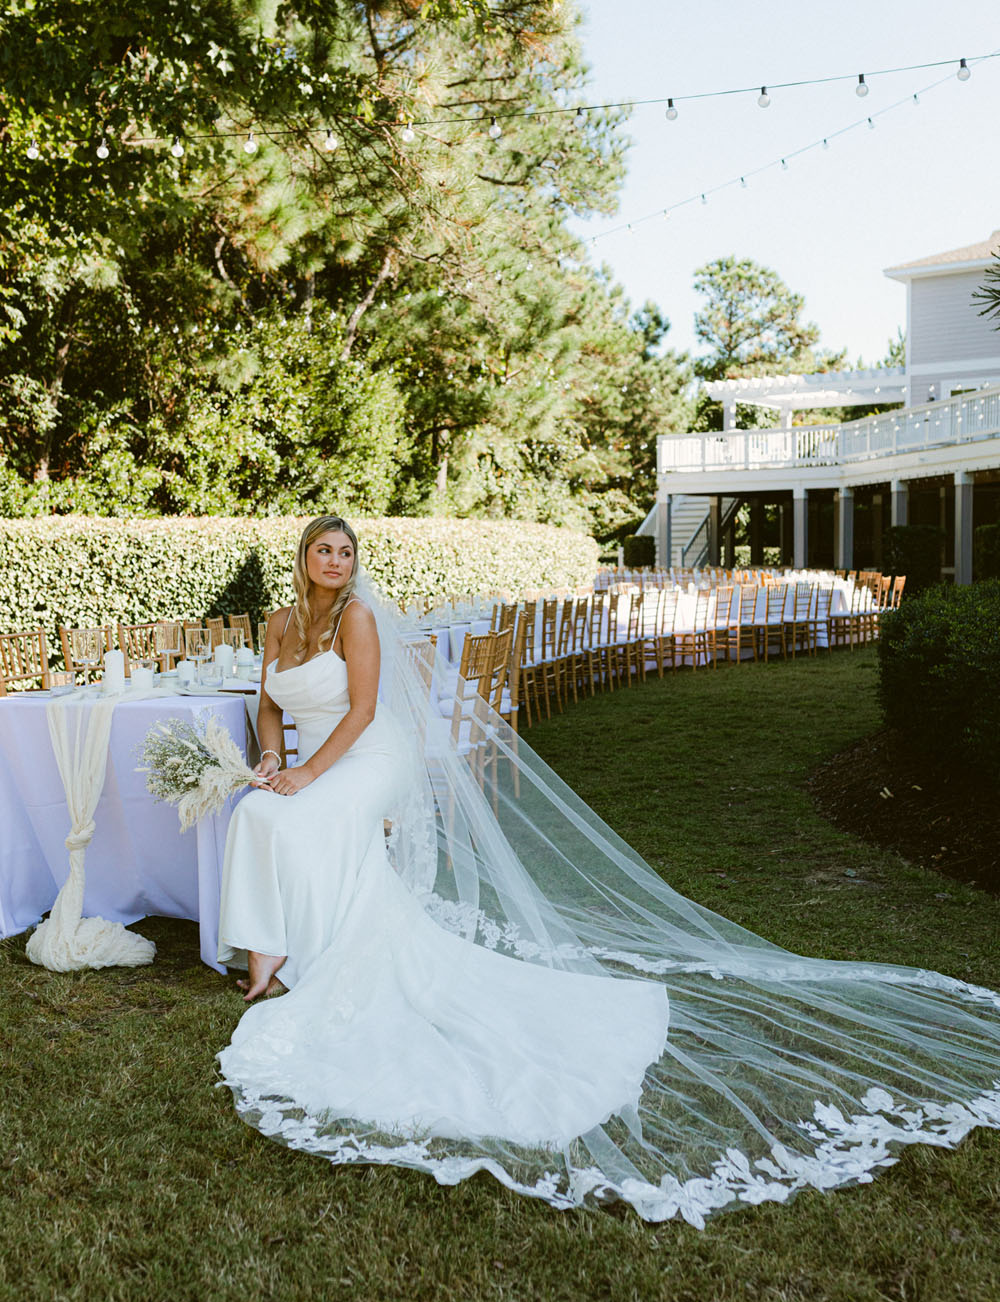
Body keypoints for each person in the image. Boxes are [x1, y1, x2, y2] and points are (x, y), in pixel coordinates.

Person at [216, 515, 1000, 1227]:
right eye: (323, 550)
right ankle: (272, 950)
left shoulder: (357, 619)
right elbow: (271, 706)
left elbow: (359, 713)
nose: (334, 560)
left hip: (364, 756)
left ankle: (292, 953)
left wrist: (309, 775)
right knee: (255, 812)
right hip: (311, 757)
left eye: (345, 551)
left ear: (354, 565)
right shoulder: (281, 624)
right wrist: (275, 757)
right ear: (303, 559)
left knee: (310, 815)